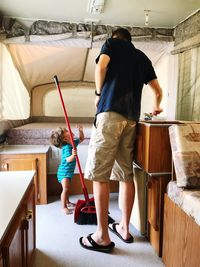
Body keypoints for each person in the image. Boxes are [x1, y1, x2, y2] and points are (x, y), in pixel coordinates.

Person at [79, 27, 163, 252]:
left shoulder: (111, 44)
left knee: (100, 174)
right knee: (126, 174)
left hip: (109, 114)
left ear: (116, 38)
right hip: (131, 121)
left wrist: (98, 95)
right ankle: (125, 228)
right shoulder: (142, 57)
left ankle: (102, 235)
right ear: (131, 40)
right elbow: (157, 90)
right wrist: (156, 106)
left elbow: (101, 66)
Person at [50, 125, 84, 214]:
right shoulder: (67, 148)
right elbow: (68, 159)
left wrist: (80, 131)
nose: (69, 130)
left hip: (68, 172)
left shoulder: (73, 142)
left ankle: (68, 202)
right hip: (63, 172)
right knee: (65, 189)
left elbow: (81, 139)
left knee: (67, 188)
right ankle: (63, 207)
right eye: (66, 130)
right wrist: (73, 155)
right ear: (65, 139)